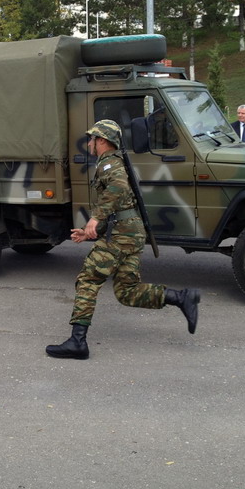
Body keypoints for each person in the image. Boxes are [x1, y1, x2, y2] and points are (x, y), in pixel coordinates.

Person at [45, 120, 200, 360]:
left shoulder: (109, 164)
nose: (89, 143)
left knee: (88, 278)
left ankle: (77, 342)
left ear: (103, 141)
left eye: (92, 139)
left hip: (122, 235)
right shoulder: (114, 163)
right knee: (127, 291)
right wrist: (89, 232)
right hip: (130, 231)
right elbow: (121, 203)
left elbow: (117, 187)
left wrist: (95, 218)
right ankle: (181, 297)